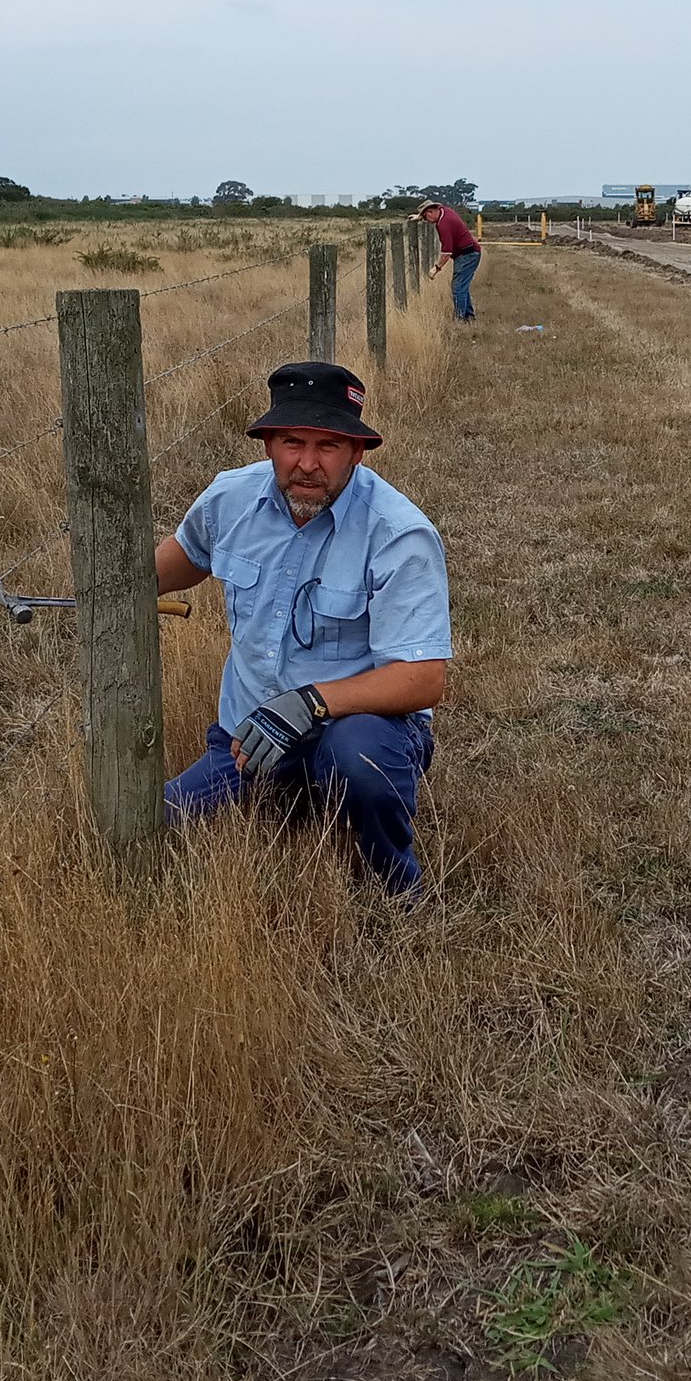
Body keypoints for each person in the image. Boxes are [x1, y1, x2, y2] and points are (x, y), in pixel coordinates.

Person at [155, 361, 452, 897]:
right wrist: (107, 591)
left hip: (359, 730)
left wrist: (310, 703)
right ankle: (289, 792)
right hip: (248, 739)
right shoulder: (229, 500)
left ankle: (400, 891)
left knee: (357, 759)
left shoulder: (399, 533)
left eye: (329, 446)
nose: (308, 464)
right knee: (161, 825)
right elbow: (184, 560)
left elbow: (423, 678)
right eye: (292, 442)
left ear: (357, 453)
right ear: (267, 443)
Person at [420, 200, 484, 322]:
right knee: (462, 286)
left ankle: (460, 319)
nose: (425, 221)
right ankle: (469, 316)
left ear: (430, 212)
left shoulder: (444, 224)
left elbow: (446, 253)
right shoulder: (445, 211)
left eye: (424, 217)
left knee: (458, 287)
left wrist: (436, 268)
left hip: (467, 255)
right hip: (469, 253)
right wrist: (418, 217)